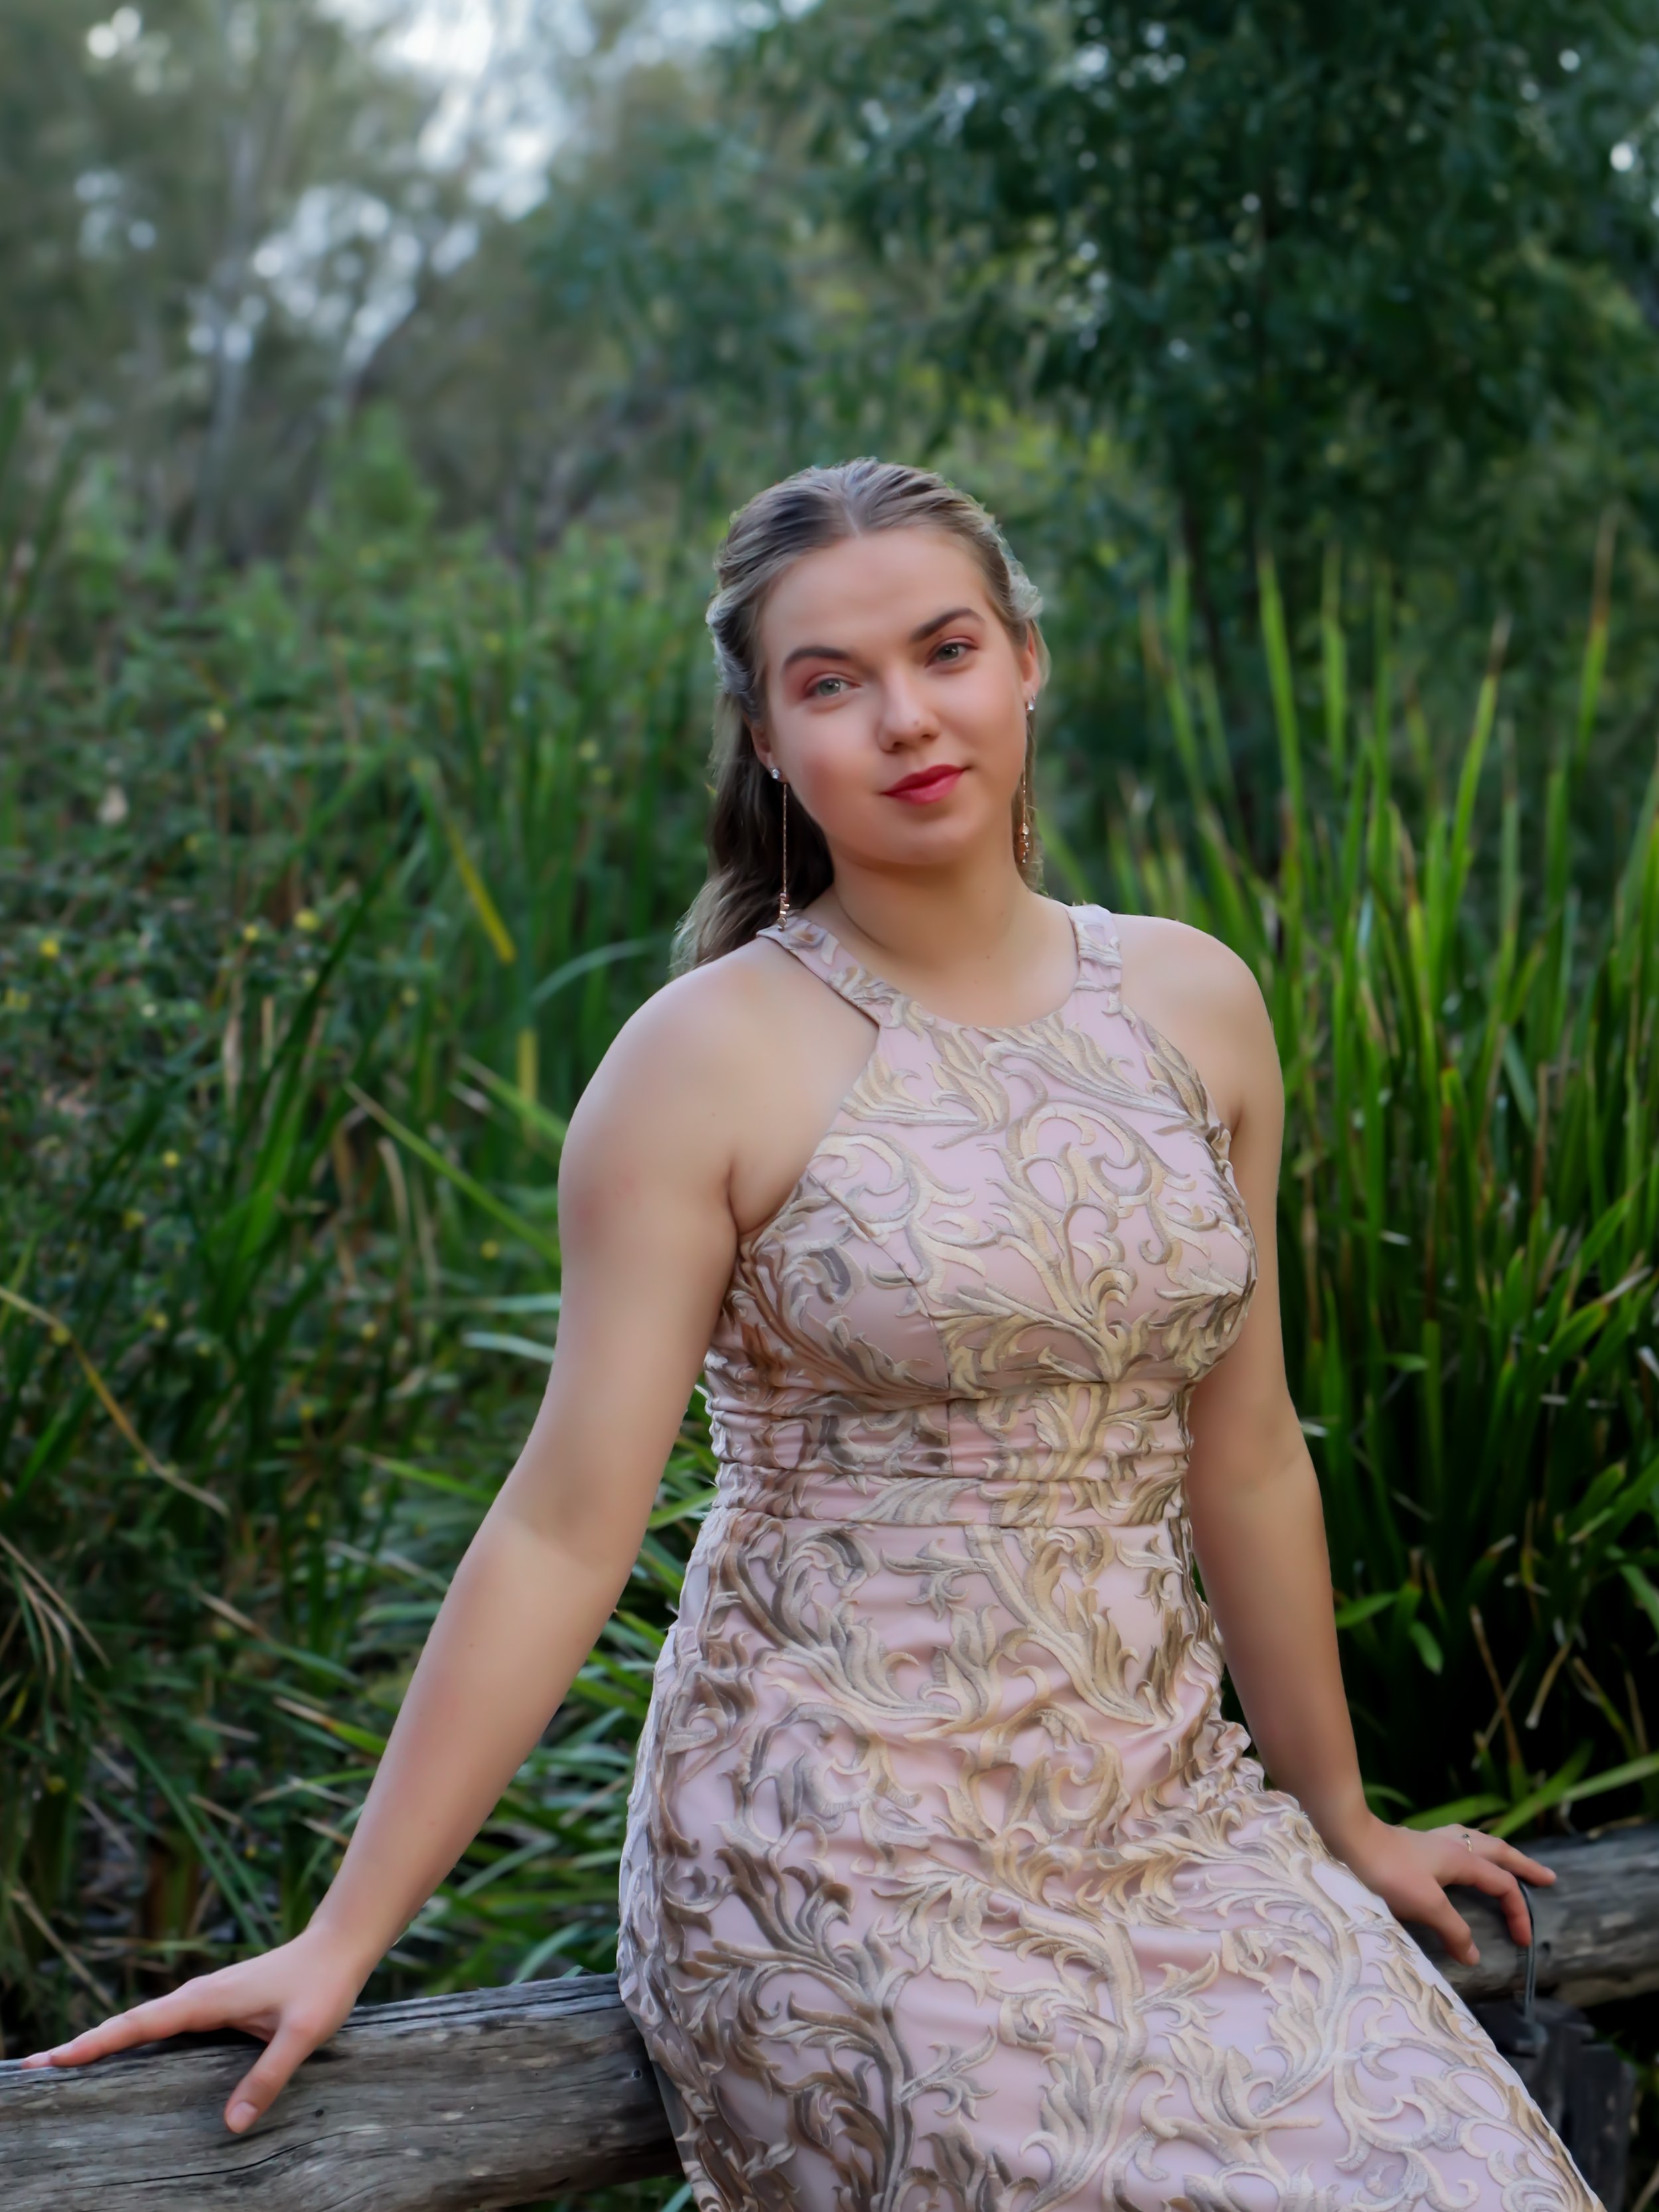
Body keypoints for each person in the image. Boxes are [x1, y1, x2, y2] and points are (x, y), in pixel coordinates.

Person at [27, 459, 1595, 2211]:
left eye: (943, 651)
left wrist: (1338, 1815)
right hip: (838, 1855)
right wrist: (341, 1936)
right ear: (766, 739)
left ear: (1023, 663)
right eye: (830, 683)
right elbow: (562, 1525)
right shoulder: (705, 1058)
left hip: (1168, 1827)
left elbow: (1241, 1451)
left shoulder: (1190, 1001)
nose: (904, 719)